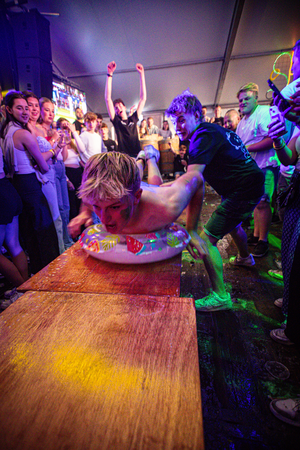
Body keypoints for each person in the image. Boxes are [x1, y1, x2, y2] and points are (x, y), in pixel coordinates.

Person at [165, 89, 264, 312]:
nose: (177, 126)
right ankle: (246, 258)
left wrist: (191, 227)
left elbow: (193, 182)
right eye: (174, 122)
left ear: (196, 116)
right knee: (233, 223)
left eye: (181, 119)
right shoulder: (210, 131)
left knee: (206, 241)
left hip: (243, 190)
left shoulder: (202, 134)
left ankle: (220, 296)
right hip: (247, 186)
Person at [68, 148, 206, 256]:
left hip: (152, 194)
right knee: (134, 177)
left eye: (115, 207)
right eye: (96, 207)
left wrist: (192, 230)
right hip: (127, 193)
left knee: (155, 184)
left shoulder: (168, 207)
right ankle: (140, 159)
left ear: (137, 196)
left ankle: (151, 157)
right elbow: (87, 199)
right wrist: (84, 213)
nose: (103, 219)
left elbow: (197, 177)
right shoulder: (93, 199)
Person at [0, 91, 59, 273]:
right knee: (45, 234)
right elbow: (43, 167)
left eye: (27, 108)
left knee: (29, 237)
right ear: (9, 109)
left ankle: (35, 279)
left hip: (14, 185)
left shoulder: (4, 131)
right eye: (20, 108)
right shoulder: (23, 134)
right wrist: (53, 151)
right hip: (30, 186)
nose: (26, 112)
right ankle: (51, 277)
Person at [268, 82, 300, 348]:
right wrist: (278, 140)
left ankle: (295, 329)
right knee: (290, 253)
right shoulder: (299, 128)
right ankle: (291, 302)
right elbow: (289, 158)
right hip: (296, 191)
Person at [236, 82, 280, 257]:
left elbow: (272, 138)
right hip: (252, 168)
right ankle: (255, 236)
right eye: (240, 100)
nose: (243, 102)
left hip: (266, 164)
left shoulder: (263, 113)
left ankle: (264, 241)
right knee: (256, 202)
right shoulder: (242, 121)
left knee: (263, 202)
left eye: (247, 98)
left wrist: (248, 148)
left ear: (256, 97)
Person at [24, 91, 65, 254]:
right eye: (30, 106)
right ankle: (59, 254)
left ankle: (61, 250)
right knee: (54, 217)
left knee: (59, 215)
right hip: (41, 176)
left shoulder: (38, 129)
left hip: (51, 172)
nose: (33, 109)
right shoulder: (29, 129)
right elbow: (38, 159)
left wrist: (60, 145)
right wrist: (54, 141)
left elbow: (54, 155)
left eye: (35, 106)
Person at [39, 97, 74, 250]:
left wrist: (63, 144)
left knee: (66, 208)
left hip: (60, 167)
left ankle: (67, 242)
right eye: (47, 110)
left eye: (52, 111)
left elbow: (62, 157)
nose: (51, 114)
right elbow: (45, 156)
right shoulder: (38, 130)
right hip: (49, 169)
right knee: (59, 209)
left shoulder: (53, 131)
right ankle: (62, 246)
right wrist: (54, 141)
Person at [0, 149, 28, 307]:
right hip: (7, 189)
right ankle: (24, 290)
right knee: (14, 245)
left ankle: (24, 293)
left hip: (1, 196)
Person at [105, 61, 146, 157]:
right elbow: (107, 99)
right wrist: (109, 74)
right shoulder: (117, 121)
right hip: (124, 158)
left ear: (124, 107)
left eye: (120, 105)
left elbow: (143, 98)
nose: (118, 108)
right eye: (115, 108)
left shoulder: (133, 119)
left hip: (137, 156)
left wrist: (142, 74)